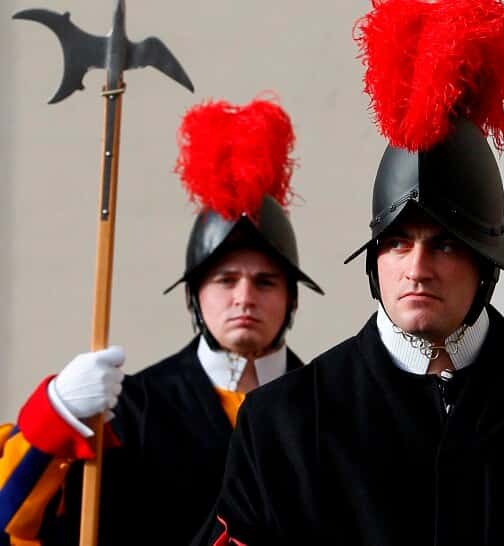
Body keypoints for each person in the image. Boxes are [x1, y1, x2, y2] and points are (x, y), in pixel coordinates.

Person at [192, 1, 504, 544]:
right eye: (398, 243)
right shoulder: (282, 422)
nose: (417, 268)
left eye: (446, 247)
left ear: (486, 265)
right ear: (373, 258)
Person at [0, 96, 323, 546]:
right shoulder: (132, 409)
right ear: (196, 294)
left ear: (290, 298)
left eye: (266, 282)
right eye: (226, 280)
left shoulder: (328, 405)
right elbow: (13, 520)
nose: (244, 298)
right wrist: (56, 416)